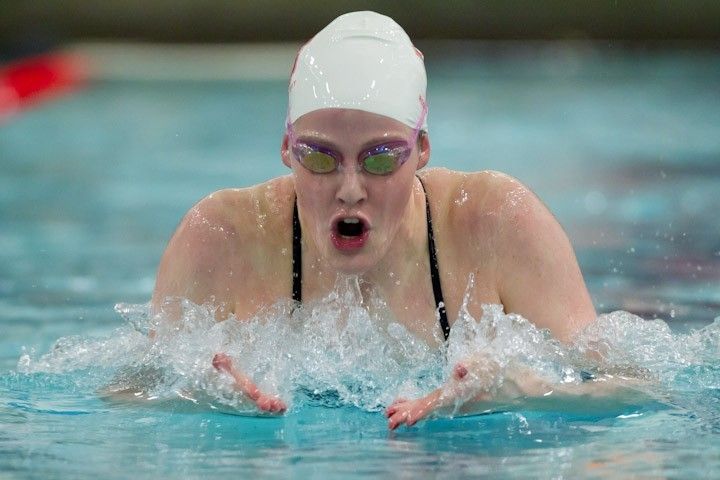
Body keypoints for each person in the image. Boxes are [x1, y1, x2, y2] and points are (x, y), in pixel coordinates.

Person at [151, 11, 597, 427]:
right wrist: (194, 392)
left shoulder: (499, 223)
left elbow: (635, 391)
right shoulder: (221, 238)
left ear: (421, 149)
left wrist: (529, 390)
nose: (349, 189)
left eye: (380, 159)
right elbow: (128, 395)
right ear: (287, 148)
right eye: (320, 159)